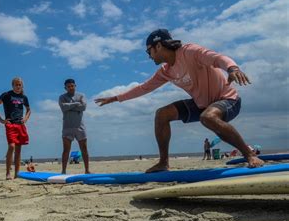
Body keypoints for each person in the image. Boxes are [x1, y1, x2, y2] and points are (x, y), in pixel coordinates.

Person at [95, 29, 264, 172]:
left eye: (149, 51)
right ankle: (163, 162)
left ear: (158, 45)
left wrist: (232, 68)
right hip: (201, 104)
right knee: (162, 114)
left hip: (227, 99)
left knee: (208, 117)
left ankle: (249, 155)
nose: (149, 56)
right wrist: (117, 98)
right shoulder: (165, 71)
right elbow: (144, 87)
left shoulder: (189, 52)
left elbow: (216, 57)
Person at [0, 77, 31, 180]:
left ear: (22, 86)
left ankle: (17, 174)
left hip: (20, 125)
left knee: (18, 151)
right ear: (12, 86)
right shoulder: (6, 95)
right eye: (16, 85)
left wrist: (25, 119)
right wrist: (1, 120)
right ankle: (8, 173)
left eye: (19, 85)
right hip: (10, 124)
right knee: (11, 146)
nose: (18, 87)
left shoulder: (24, 97)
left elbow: (29, 110)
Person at [59, 79, 90, 174]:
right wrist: (76, 104)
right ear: (65, 88)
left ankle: (87, 170)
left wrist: (70, 107)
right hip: (67, 127)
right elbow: (63, 107)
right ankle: (63, 171)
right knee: (66, 150)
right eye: (68, 86)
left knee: (84, 148)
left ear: (75, 86)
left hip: (80, 126)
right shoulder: (62, 97)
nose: (71, 88)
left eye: (72, 86)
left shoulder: (81, 95)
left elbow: (83, 107)